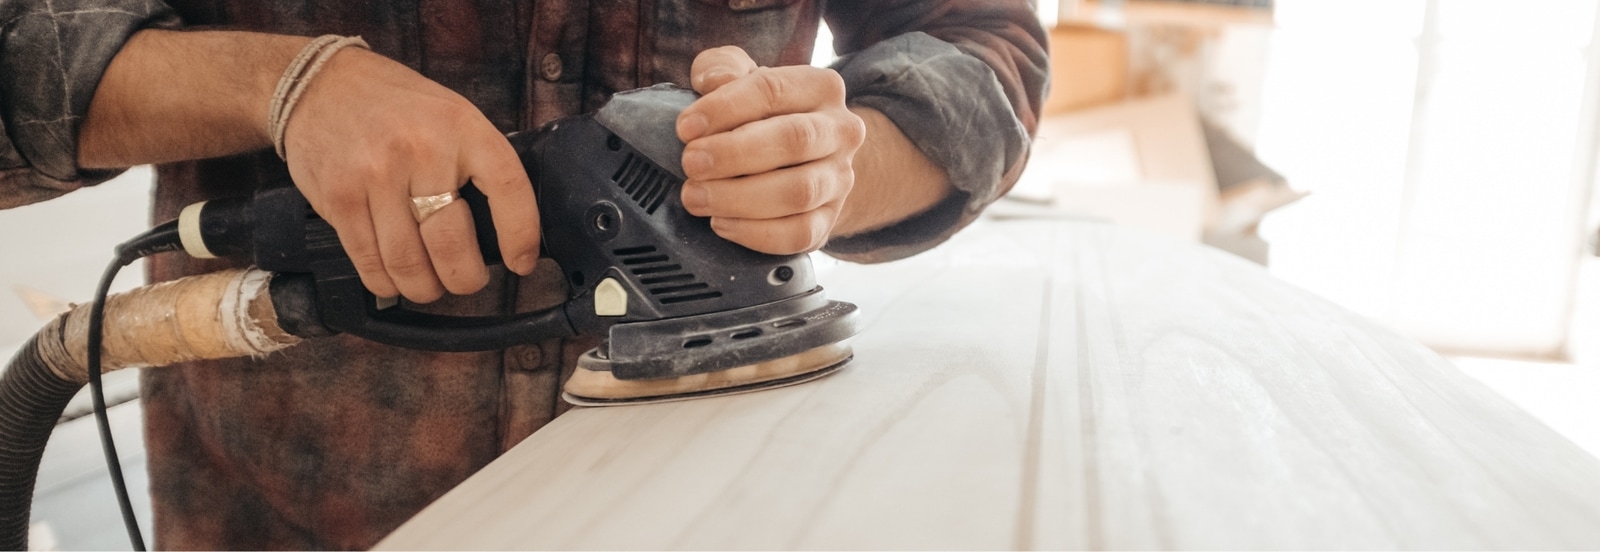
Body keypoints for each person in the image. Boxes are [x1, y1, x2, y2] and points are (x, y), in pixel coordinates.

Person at [0, 1, 1047, 548]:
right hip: (298, 516)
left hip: (711, 510)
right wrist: (283, 82)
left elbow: (980, 41)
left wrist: (838, 163)